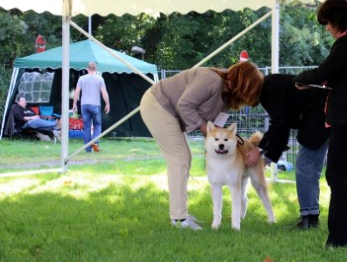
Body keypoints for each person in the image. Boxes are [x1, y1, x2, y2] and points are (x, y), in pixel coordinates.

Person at [294, 0, 347, 248]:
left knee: (336, 176)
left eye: (328, 23)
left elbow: (323, 72)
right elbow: (340, 79)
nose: (327, 28)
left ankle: (339, 238)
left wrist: (299, 79)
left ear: (338, 19)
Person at [140, 61, 264, 230]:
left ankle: (180, 215)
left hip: (169, 110)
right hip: (158, 104)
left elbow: (218, 128)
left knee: (184, 159)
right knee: (180, 159)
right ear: (243, 84)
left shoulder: (227, 99)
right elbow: (184, 104)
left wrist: (237, 141)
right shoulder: (211, 79)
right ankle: (179, 219)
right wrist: (202, 126)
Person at [245, 74, 330, 230]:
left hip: (319, 116)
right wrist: (268, 158)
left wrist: (258, 150)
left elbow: (279, 123)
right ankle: (309, 216)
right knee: (309, 166)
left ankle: (309, 220)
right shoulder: (269, 86)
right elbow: (282, 127)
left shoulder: (268, 89)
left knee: (306, 166)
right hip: (320, 114)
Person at [72, 61, 110, 153]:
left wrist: (74, 104)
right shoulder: (100, 79)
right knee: (97, 125)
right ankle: (95, 142)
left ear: (87, 69)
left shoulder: (81, 78)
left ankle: (88, 149)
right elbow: (104, 92)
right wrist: (107, 103)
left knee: (87, 127)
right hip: (95, 105)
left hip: (84, 105)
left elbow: (76, 92)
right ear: (96, 69)